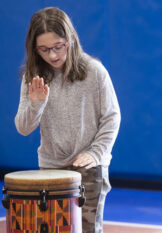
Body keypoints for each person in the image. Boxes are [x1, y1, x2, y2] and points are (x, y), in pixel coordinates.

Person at [15, 7, 121, 233]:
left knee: (88, 229)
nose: (52, 55)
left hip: (90, 166)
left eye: (58, 47)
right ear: (35, 49)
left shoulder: (94, 71)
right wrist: (36, 104)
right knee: (52, 228)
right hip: (51, 166)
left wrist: (95, 152)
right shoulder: (32, 77)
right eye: (44, 50)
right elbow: (23, 128)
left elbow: (112, 117)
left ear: (70, 39)